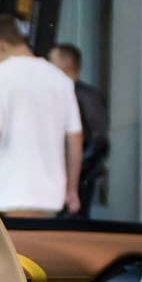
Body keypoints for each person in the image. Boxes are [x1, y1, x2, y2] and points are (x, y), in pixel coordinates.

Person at [0, 15, 82, 217]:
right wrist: (72, 190)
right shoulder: (60, 79)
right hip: (51, 197)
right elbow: (75, 138)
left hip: (11, 193)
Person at [49, 42, 110, 216]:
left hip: (79, 178)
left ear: (66, 62)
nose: (48, 65)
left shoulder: (86, 95)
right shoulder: (59, 93)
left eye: (51, 60)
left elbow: (100, 139)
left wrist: (77, 171)